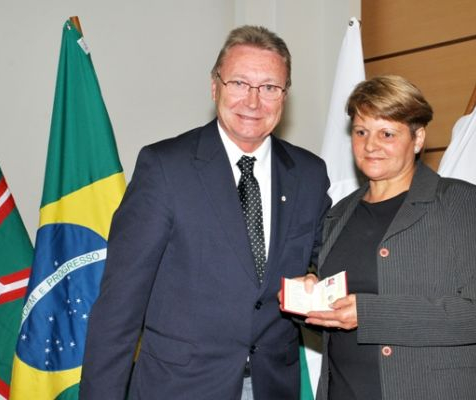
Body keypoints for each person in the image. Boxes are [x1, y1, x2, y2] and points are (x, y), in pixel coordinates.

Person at [79, 25, 331, 400]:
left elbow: (326, 264)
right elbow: (119, 306)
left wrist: (316, 280)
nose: (253, 101)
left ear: (284, 96)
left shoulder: (309, 175)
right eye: (239, 83)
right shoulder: (165, 168)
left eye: (269, 87)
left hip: (273, 385)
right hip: (180, 387)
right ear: (215, 87)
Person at [285, 75, 476, 399]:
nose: (370, 145)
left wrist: (370, 314)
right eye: (361, 132)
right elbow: (337, 320)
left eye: (387, 133)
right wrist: (307, 301)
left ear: (418, 138)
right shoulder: (338, 214)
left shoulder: (459, 202)